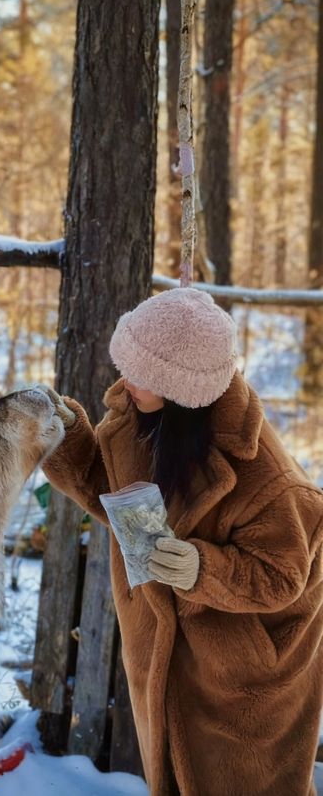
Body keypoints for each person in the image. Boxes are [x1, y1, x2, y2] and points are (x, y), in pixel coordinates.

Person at [42, 287, 323, 796]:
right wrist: (67, 443)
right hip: (168, 659)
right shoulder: (145, 418)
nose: (125, 379)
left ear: (183, 387)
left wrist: (203, 569)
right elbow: (126, 501)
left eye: (141, 372)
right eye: (126, 362)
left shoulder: (274, 483)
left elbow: (283, 576)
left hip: (243, 683)